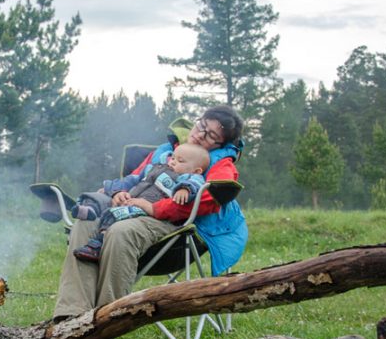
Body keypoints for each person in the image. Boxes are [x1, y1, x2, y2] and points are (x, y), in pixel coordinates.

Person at [53, 105, 248, 319]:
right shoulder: (165, 151)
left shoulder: (220, 163)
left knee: (121, 231)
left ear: (222, 144)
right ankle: (71, 315)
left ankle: (105, 322)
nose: (201, 135)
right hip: (130, 210)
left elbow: (209, 200)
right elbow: (137, 177)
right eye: (202, 125)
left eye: (211, 135)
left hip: (176, 227)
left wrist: (154, 208)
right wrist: (119, 193)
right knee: (85, 223)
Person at [72, 143, 210, 263]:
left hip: (144, 208)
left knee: (114, 214)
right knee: (96, 197)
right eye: (173, 157)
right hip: (128, 197)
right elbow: (131, 179)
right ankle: (90, 209)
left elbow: (195, 184)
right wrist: (114, 190)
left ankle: (97, 245)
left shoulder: (188, 177)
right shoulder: (154, 167)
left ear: (196, 170)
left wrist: (185, 189)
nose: (173, 162)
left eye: (180, 161)